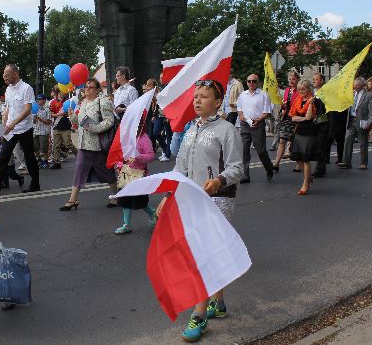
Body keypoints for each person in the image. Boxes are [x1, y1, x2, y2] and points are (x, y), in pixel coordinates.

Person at [164, 79, 243, 342]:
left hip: (219, 198)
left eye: (204, 97)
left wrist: (219, 180)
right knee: (209, 253)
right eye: (195, 96)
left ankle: (199, 314)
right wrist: (169, 194)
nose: (197, 100)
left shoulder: (227, 130)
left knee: (203, 256)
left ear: (218, 102)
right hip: (193, 198)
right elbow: (180, 168)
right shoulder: (190, 130)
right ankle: (217, 303)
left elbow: (236, 168)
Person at [59, 78, 118, 210]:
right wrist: (72, 117)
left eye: (91, 87)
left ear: (97, 89)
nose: (87, 89)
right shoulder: (83, 102)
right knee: (79, 170)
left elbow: (109, 121)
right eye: (86, 87)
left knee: (106, 172)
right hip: (83, 144)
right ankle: (72, 199)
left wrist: (94, 128)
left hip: (97, 145)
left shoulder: (103, 102)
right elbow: (79, 121)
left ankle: (115, 195)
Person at [0, 64, 40, 193]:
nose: (4, 77)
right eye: (4, 75)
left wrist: (13, 123)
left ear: (15, 74)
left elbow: (27, 110)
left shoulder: (27, 88)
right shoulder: (8, 89)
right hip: (10, 129)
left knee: (29, 156)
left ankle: (35, 184)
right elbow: (8, 108)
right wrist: (4, 119)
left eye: (7, 75)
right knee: (3, 156)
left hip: (24, 128)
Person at [113, 117, 156, 235]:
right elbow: (122, 156)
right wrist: (119, 165)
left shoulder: (144, 139)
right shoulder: (127, 139)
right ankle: (126, 225)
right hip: (127, 174)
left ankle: (152, 213)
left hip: (138, 176)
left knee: (139, 202)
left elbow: (151, 156)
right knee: (125, 200)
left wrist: (138, 157)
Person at [236, 73, 275, 183]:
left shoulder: (263, 95)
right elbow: (239, 108)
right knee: (244, 150)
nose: (251, 83)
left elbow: (267, 112)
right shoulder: (243, 94)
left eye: (254, 81)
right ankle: (245, 175)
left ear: (258, 83)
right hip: (245, 124)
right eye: (249, 81)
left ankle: (269, 168)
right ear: (246, 82)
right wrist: (241, 115)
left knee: (260, 150)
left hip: (258, 124)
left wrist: (259, 119)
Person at [339, 77, 372, 170]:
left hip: (361, 121)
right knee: (347, 140)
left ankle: (363, 162)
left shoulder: (368, 95)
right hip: (351, 120)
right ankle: (346, 162)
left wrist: (369, 123)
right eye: (354, 85)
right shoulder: (352, 94)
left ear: (362, 86)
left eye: (357, 85)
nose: (354, 86)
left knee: (363, 142)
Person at [289, 80, 318, 195]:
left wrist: (310, 104)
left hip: (310, 132)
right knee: (297, 156)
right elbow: (293, 118)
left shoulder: (314, 101)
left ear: (309, 89)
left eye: (303, 89)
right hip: (299, 130)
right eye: (299, 89)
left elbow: (310, 117)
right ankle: (309, 177)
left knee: (306, 159)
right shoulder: (298, 100)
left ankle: (306, 183)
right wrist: (303, 118)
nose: (300, 91)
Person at [273, 71, 300, 171]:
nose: (291, 81)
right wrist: (283, 107)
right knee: (282, 140)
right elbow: (285, 104)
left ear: (297, 79)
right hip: (286, 118)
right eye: (290, 79)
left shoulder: (300, 90)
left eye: (293, 79)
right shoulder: (287, 90)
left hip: (296, 119)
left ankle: (298, 164)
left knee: (295, 142)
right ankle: (276, 163)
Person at [49, 88, 77, 169]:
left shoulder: (68, 101)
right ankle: (56, 162)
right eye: (63, 91)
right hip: (57, 126)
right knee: (56, 145)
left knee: (68, 143)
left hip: (66, 125)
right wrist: (60, 114)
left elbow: (73, 112)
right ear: (59, 92)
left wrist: (69, 113)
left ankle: (80, 156)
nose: (65, 92)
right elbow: (51, 115)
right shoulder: (53, 102)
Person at [311, 73, 329, 177]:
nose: (313, 81)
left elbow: (327, 113)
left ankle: (320, 169)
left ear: (321, 81)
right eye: (313, 79)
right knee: (316, 147)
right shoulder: (313, 93)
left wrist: (316, 120)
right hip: (313, 124)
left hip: (322, 124)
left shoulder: (325, 94)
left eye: (316, 79)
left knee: (321, 147)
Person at [33, 93, 52, 168]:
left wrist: (41, 119)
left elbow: (49, 121)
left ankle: (46, 161)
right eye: (38, 99)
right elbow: (33, 121)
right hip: (35, 131)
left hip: (43, 131)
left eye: (40, 99)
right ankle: (39, 159)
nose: (39, 101)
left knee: (44, 148)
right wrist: (34, 119)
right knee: (35, 147)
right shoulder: (34, 109)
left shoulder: (47, 110)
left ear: (44, 100)